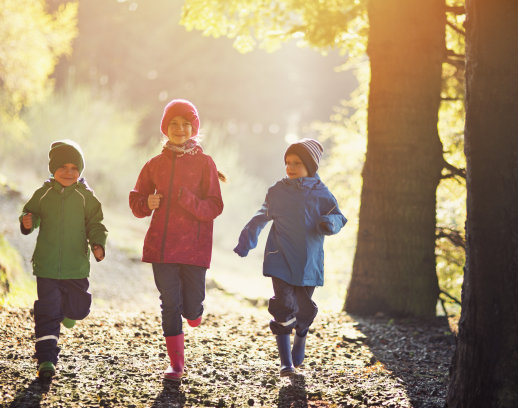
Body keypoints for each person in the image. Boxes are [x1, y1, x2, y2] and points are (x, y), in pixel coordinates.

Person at [233, 138, 347, 377]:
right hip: (280, 260)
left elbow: (338, 216)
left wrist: (329, 223)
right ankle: (286, 363)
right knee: (284, 306)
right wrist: (247, 240)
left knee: (303, 309)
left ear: (310, 166)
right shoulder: (277, 192)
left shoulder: (322, 194)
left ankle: (302, 333)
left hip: (309, 263)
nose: (290, 167)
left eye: (297, 162)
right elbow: (260, 216)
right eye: (287, 162)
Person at [129, 99, 224, 382]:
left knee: (191, 306)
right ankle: (176, 365)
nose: (180, 129)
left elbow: (214, 207)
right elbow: (136, 201)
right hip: (162, 247)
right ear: (165, 128)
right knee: (169, 303)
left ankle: (194, 313)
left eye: (186, 124)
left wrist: (188, 200)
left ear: (194, 128)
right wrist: (148, 201)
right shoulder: (154, 165)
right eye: (174, 124)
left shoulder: (205, 163)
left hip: (194, 249)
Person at [20, 139, 107, 382]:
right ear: (53, 169)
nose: (68, 172)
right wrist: (27, 221)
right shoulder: (43, 193)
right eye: (63, 167)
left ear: (80, 171)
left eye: (74, 168)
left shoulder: (85, 197)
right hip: (46, 265)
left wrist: (98, 244)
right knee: (47, 311)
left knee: (79, 309)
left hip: (75, 266)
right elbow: (31, 213)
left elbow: (96, 224)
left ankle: (69, 312)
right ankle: (47, 358)